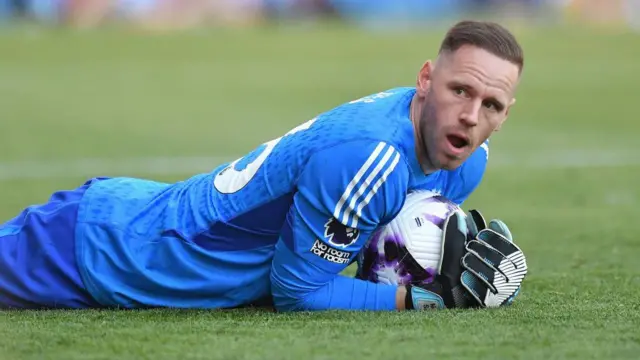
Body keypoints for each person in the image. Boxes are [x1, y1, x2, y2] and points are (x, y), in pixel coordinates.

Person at [0, 20, 525, 311]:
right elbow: (299, 291)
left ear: (505, 116)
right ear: (426, 80)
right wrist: (419, 301)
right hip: (106, 249)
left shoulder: (466, 161)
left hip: (130, 235)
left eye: (491, 105)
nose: (470, 116)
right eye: (460, 90)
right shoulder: (370, 158)